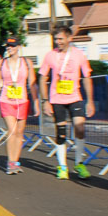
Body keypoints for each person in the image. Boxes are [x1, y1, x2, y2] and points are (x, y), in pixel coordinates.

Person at [38, 26, 94, 180]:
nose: (58, 42)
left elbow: (87, 78)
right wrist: (45, 101)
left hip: (75, 97)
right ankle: (62, 166)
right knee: (61, 133)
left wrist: (90, 101)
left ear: (69, 38)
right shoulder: (50, 55)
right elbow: (43, 79)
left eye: (61, 39)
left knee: (80, 128)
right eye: (56, 39)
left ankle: (79, 163)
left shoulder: (79, 55)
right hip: (57, 99)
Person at [0, 37, 38, 174]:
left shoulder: (26, 62)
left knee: (19, 133)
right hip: (6, 100)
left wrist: (36, 102)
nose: (9, 48)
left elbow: (32, 84)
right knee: (11, 131)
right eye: (8, 46)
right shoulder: (1, 63)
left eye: (12, 46)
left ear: (18, 47)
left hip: (22, 101)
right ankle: (10, 163)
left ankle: (15, 162)